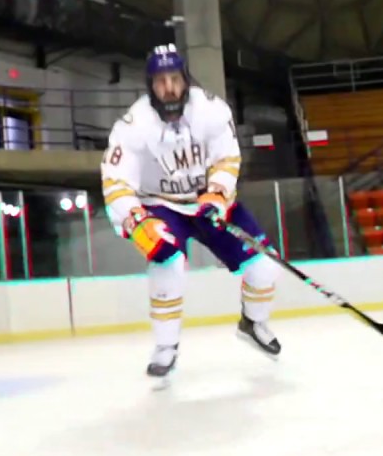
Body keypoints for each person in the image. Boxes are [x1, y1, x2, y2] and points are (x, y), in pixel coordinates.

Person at [101, 44, 282, 377]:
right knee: (166, 260)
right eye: (160, 81)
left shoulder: (211, 110)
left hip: (207, 202)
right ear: (150, 85)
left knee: (266, 267)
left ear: (184, 79)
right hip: (160, 204)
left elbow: (227, 158)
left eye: (174, 78)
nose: (168, 87)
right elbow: (115, 180)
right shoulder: (133, 124)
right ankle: (165, 346)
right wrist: (134, 217)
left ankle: (253, 323)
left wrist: (218, 193)